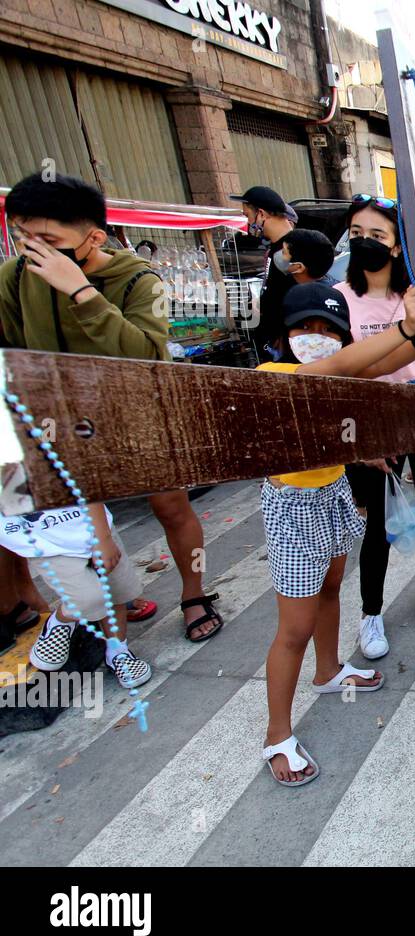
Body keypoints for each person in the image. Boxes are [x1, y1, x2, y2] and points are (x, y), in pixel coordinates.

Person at [0, 172, 222, 645]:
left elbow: (143, 355)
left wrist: (81, 292)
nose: (33, 249)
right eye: (23, 236)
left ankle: (194, 592)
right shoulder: (16, 278)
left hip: (137, 416)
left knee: (171, 506)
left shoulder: (140, 280)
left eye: (47, 239)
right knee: (69, 516)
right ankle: (101, 600)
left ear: (93, 237)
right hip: (58, 424)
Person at [257, 278, 415, 786]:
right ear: (282, 333)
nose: (316, 337)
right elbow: (342, 365)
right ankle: (277, 735)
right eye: (304, 328)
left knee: (332, 589)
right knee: (292, 630)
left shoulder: (334, 373)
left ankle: (328, 671)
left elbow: (373, 367)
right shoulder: (273, 372)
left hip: (332, 491)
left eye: (328, 330)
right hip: (293, 509)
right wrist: (404, 326)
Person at [333, 196, 415, 657]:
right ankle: (371, 613)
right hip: (370, 422)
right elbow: (338, 369)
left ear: (398, 247)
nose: (365, 243)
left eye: (377, 236)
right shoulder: (340, 300)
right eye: (357, 234)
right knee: (380, 525)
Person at [2, 501, 152, 690]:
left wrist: (104, 537)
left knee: (116, 593)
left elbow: (87, 482)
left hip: (92, 522)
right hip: (44, 541)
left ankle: (118, 652)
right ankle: (60, 620)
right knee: (86, 598)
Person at [230, 186, 297, 361]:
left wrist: (284, 336)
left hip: (287, 348)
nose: (247, 222)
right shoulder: (273, 247)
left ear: (261, 214)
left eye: (247, 216)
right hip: (271, 342)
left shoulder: (294, 249)